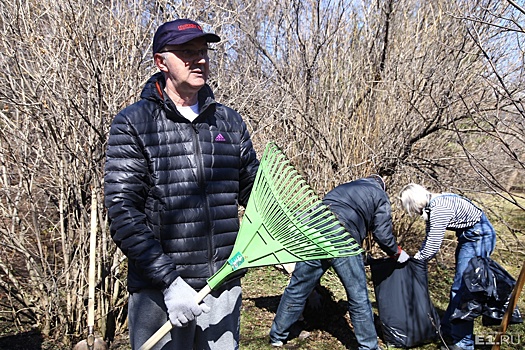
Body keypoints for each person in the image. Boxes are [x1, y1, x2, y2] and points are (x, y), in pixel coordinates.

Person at [104, 18, 259, 350]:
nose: (199, 59)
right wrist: (170, 282)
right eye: (187, 52)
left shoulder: (228, 122)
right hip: (160, 294)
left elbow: (255, 190)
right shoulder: (134, 123)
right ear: (162, 62)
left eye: (202, 51)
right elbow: (122, 210)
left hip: (221, 286)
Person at [269, 175, 408, 350]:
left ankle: (277, 336)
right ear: (382, 186)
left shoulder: (347, 187)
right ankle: (368, 346)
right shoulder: (380, 195)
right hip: (341, 236)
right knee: (358, 296)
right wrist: (396, 252)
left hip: (316, 230)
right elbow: (382, 233)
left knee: (298, 287)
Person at [399, 183, 497, 350]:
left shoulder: (439, 208)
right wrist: (417, 258)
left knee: (463, 289)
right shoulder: (434, 204)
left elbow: (433, 245)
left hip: (479, 238)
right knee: (458, 287)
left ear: (415, 203)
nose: (413, 213)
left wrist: (415, 261)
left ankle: (463, 343)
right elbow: (429, 239)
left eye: (411, 208)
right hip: (470, 237)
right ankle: (448, 329)